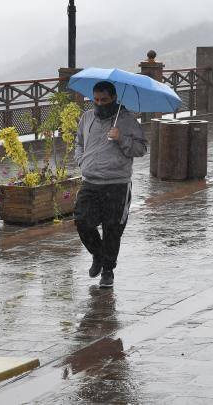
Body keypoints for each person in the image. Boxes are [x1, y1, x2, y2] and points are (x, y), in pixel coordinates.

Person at [74, 81, 147, 288]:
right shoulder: (87, 117)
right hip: (90, 181)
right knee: (82, 221)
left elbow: (141, 149)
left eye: (104, 100)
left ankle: (108, 270)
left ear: (114, 98)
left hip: (117, 183)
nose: (99, 103)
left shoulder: (127, 120)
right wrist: (81, 160)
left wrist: (121, 138)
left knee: (112, 228)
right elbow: (79, 142)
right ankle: (98, 255)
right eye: (95, 100)